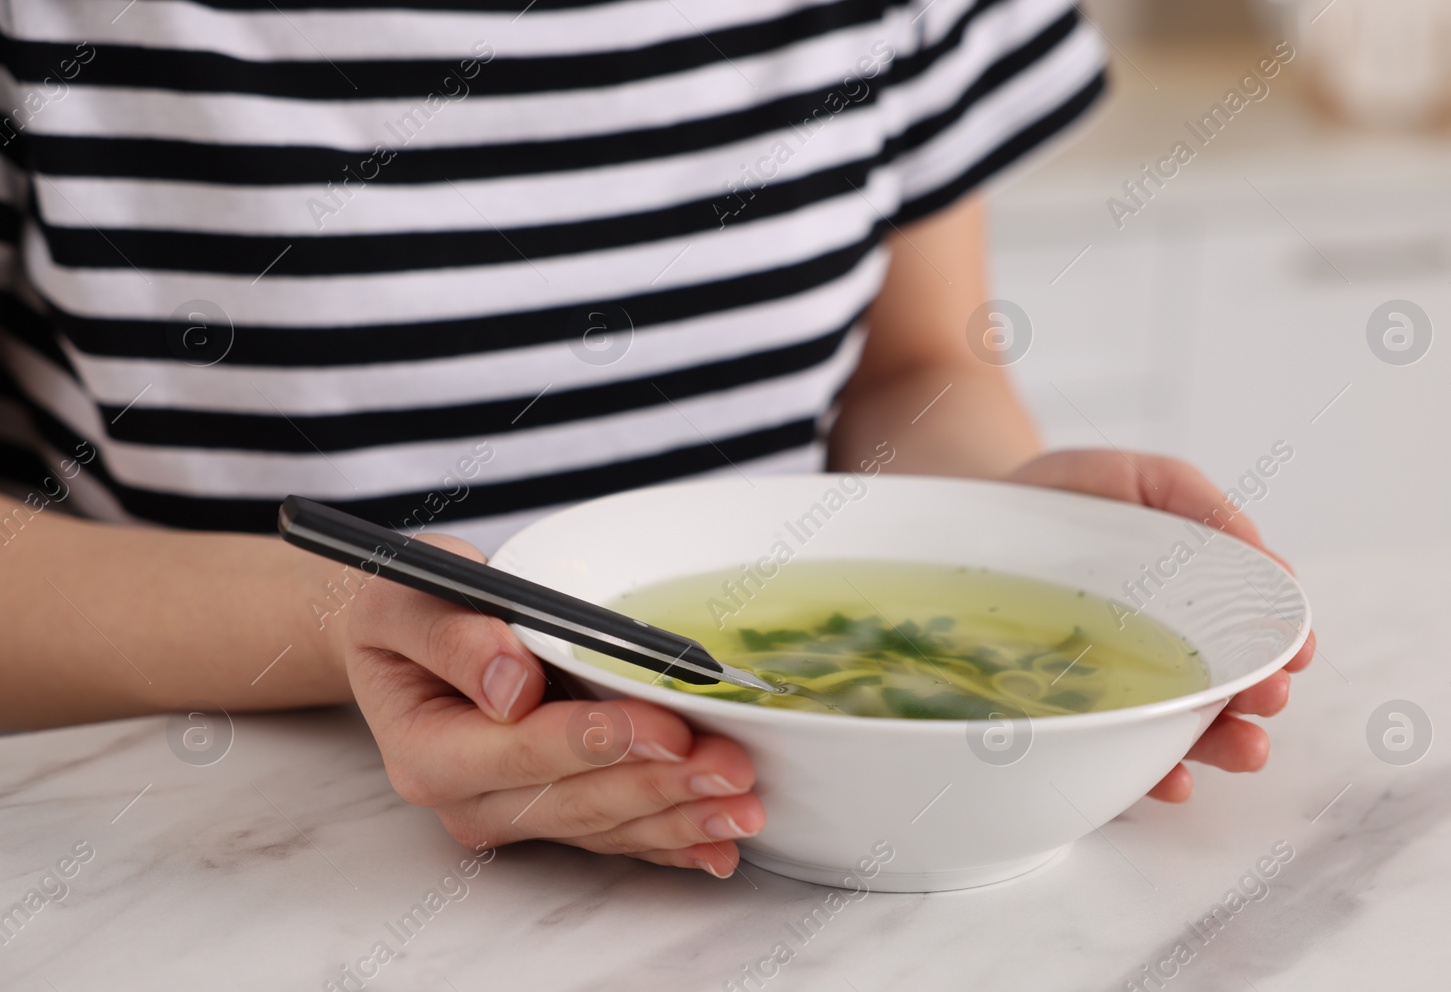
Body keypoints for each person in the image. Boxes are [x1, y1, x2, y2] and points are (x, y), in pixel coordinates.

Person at [0, 1, 1312, 878]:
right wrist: (337, 617)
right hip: (223, 865)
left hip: (787, 833)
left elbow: (918, 362)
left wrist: (1010, 520)